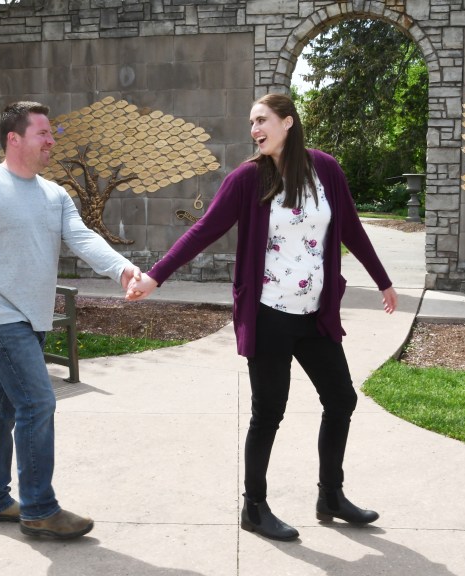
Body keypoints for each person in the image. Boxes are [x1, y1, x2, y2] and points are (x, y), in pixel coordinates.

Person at [126, 93, 398, 542]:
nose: (254, 129)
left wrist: (383, 281)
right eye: (251, 122)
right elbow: (204, 229)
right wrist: (155, 277)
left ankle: (331, 496)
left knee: (341, 399)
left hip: (315, 315)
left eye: (262, 120)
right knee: (269, 411)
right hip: (269, 313)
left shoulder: (325, 170)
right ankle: (254, 507)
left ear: (287, 122)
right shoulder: (249, 178)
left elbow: (351, 226)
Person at [0, 101, 140, 540]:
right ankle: (38, 508)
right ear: (14, 138)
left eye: (51, 133)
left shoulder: (54, 194)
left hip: (33, 318)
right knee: (38, 403)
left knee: (3, 408)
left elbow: (82, 237)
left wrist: (121, 268)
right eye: (43, 133)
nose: (52, 140)